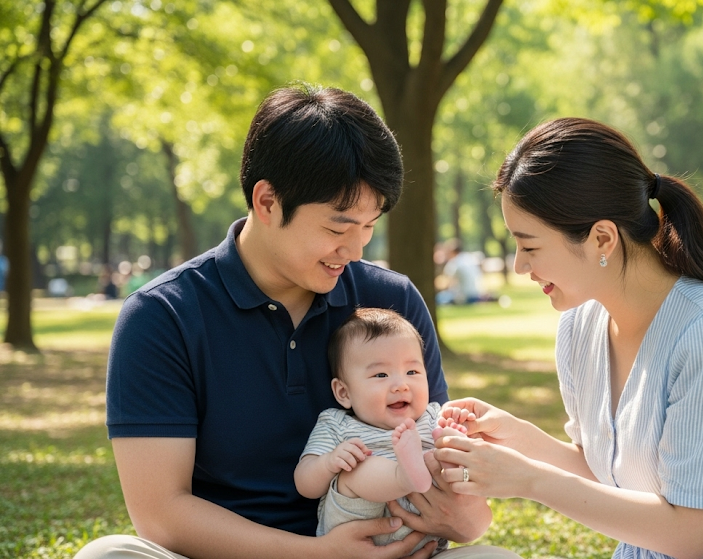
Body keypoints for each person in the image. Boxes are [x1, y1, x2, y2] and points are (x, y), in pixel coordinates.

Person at [75, 84, 519, 559]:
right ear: (267, 202)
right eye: (338, 227)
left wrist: (463, 514)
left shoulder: (390, 302)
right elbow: (161, 514)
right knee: (108, 556)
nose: (355, 251)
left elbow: (463, 509)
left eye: (369, 228)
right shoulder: (162, 316)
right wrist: (320, 553)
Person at [431, 118, 703, 559]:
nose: (519, 266)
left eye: (530, 246)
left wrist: (529, 480)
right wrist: (517, 438)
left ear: (602, 238)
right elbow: (611, 476)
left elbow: (690, 534)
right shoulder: (580, 326)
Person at [295, 308, 473, 555]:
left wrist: (457, 436)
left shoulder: (433, 417)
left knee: (441, 455)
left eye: (412, 372)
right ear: (344, 393)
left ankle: (427, 468)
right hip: (355, 542)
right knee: (358, 469)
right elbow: (304, 484)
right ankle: (405, 476)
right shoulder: (337, 424)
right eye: (381, 374)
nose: (401, 385)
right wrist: (328, 463)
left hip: (427, 546)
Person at [438, 240, 487, 305]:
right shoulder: (469, 258)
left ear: (452, 252)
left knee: (439, 298)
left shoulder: (454, 263)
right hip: (475, 294)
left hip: (464, 297)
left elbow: (446, 283)